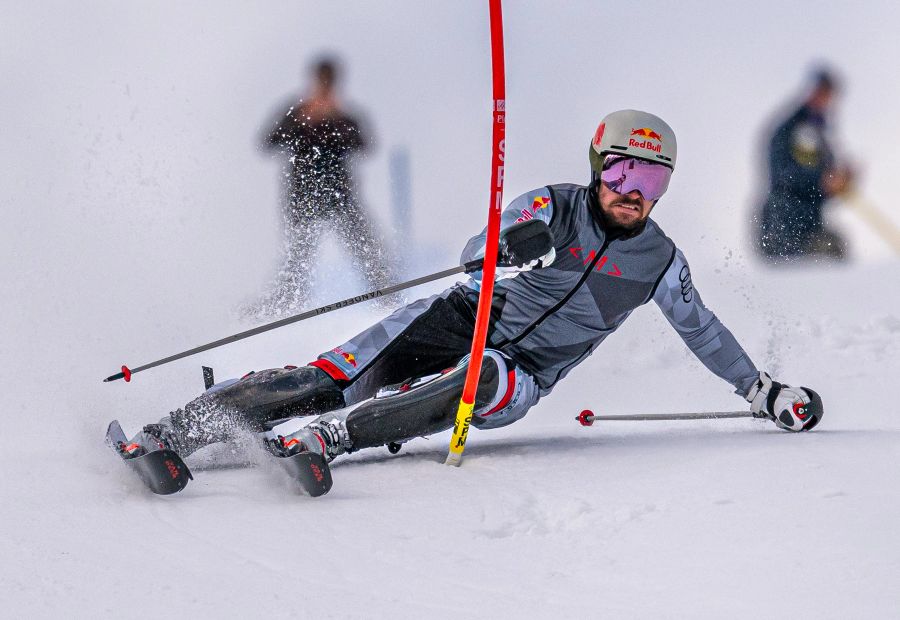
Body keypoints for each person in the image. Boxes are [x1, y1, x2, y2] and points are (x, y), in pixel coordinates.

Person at [120, 110, 823, 467]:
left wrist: (761, 391)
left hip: (522, 370)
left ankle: (330, 441)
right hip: (461, 315)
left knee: (483, 377)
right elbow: (474, 253)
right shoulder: (554, 204)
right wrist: (505, 247)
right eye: (619, 172)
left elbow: (703, 330)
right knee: (328, 375)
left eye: (649, 180)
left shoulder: (659, 263)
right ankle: (176, 430)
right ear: (596, 168)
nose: (630, 192)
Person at [257, 56, 395, 315]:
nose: (325, 86)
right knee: (297, 258)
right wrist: (304, 121)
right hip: (303, 195)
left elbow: (365, 145)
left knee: (368, 250)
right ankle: (284, 309)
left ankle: (388, 301)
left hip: (340, 195)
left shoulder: (344, 113)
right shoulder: (296, 110)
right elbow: (268, 141)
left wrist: (336, 120)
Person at [756, 67, 854, 260]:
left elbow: (819, 192)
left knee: (836, 247)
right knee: (832, 250)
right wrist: (823, 180)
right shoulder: (790, 130)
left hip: (809, 228)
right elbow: (782, 174)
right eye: (821, 92)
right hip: (783, 231)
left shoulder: (821, 135)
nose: (825, 100)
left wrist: (840, 184)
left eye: (828, 95)